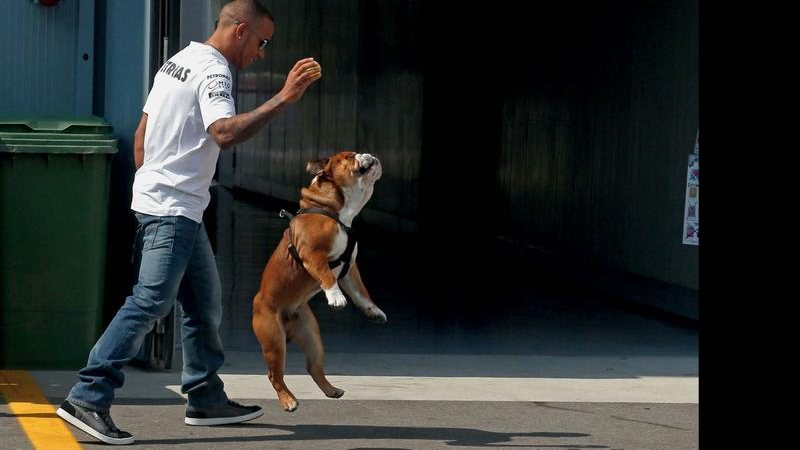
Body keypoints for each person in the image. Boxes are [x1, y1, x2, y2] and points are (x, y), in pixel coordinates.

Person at [56, 0, 322, 445]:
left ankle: (205, 397)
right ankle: (88, 395)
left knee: (203, 304)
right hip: (173, 208)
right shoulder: (214, 71)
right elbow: (224, 133)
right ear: (240, 30)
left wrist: (150, 188)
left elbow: (143, 131)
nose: (261, 53)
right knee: (151, 301)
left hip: (173, 205)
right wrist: (283, 97)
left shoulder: (177, 61)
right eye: (262, 42)